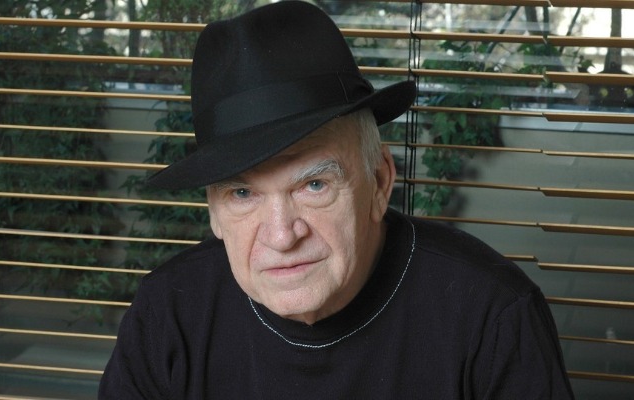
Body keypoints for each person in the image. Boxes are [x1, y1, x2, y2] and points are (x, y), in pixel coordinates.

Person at [99, 1, 575, 398]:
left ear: (380, 182)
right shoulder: (168, 314)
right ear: (215, 213)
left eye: (314, 186)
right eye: (242, 193)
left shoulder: (492, 315)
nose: (282, 236)